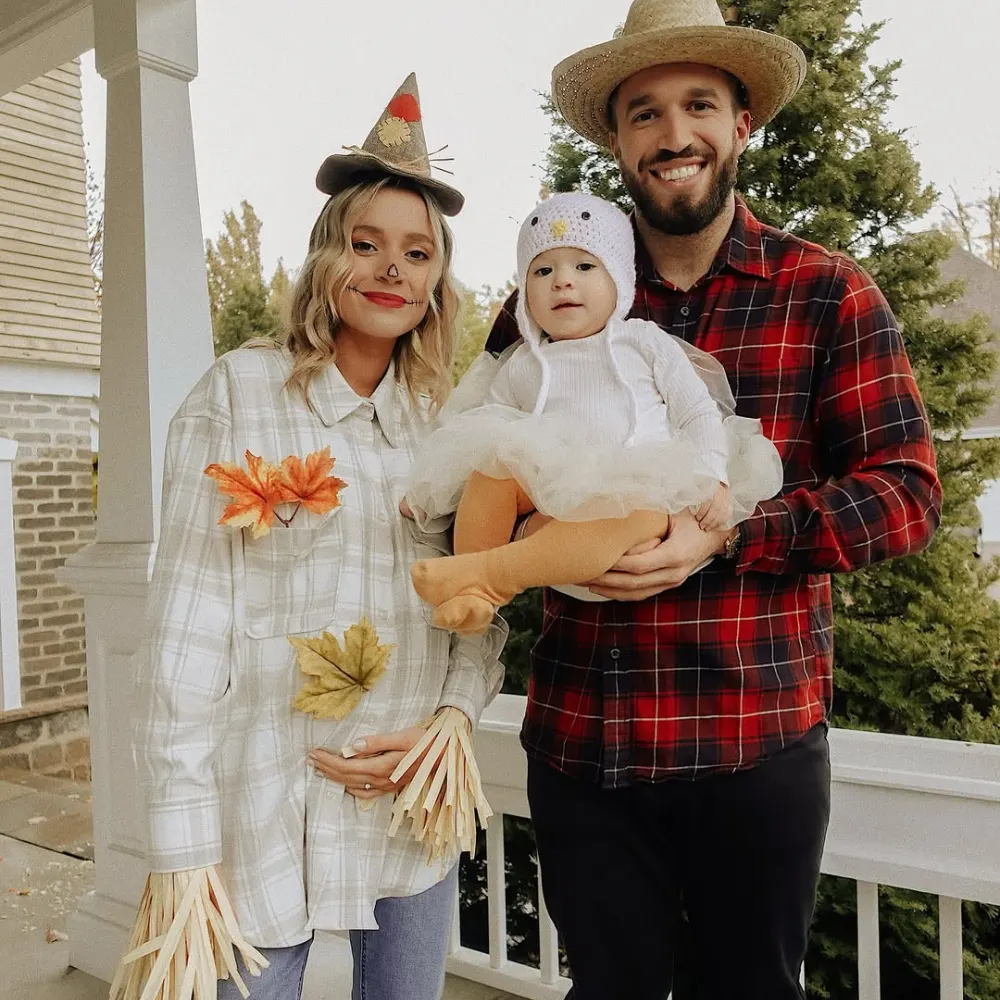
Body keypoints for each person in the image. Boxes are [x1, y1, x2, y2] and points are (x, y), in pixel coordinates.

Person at [483, 2, 942, 998]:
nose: (672, 132)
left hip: (753, 742)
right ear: (616, 138)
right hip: (584, 742)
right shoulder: (548, 298)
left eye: (699, 103)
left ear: (743, 123)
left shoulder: (826, 294)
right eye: (643, 112)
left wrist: (731, 534)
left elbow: (905, 496)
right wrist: (536, 537)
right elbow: (477, 470)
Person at [132, 74, 506, 1000]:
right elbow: (186, 625)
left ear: (434, 284)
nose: (391, 268)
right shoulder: (240, 394)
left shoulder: (444, 427)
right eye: (365, 243)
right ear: (323, 258)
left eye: (416, 254)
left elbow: (479, 603)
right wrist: (181, 843)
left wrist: (449, 728)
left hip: (408, 808)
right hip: (264, 805)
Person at [406, 190, 783, 634]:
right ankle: (473, 593)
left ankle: (487, 577)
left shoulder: (643, 342)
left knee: (631, 512)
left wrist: (713, 477)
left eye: (584, 266)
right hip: (552, 509)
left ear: (619, 280)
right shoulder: (525, 363)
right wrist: (427, 491)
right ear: (526, 292)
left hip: (635, 501)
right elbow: (476, 431)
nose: (563, 281)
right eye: (543, 270)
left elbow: (697, 411)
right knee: (491, 468)